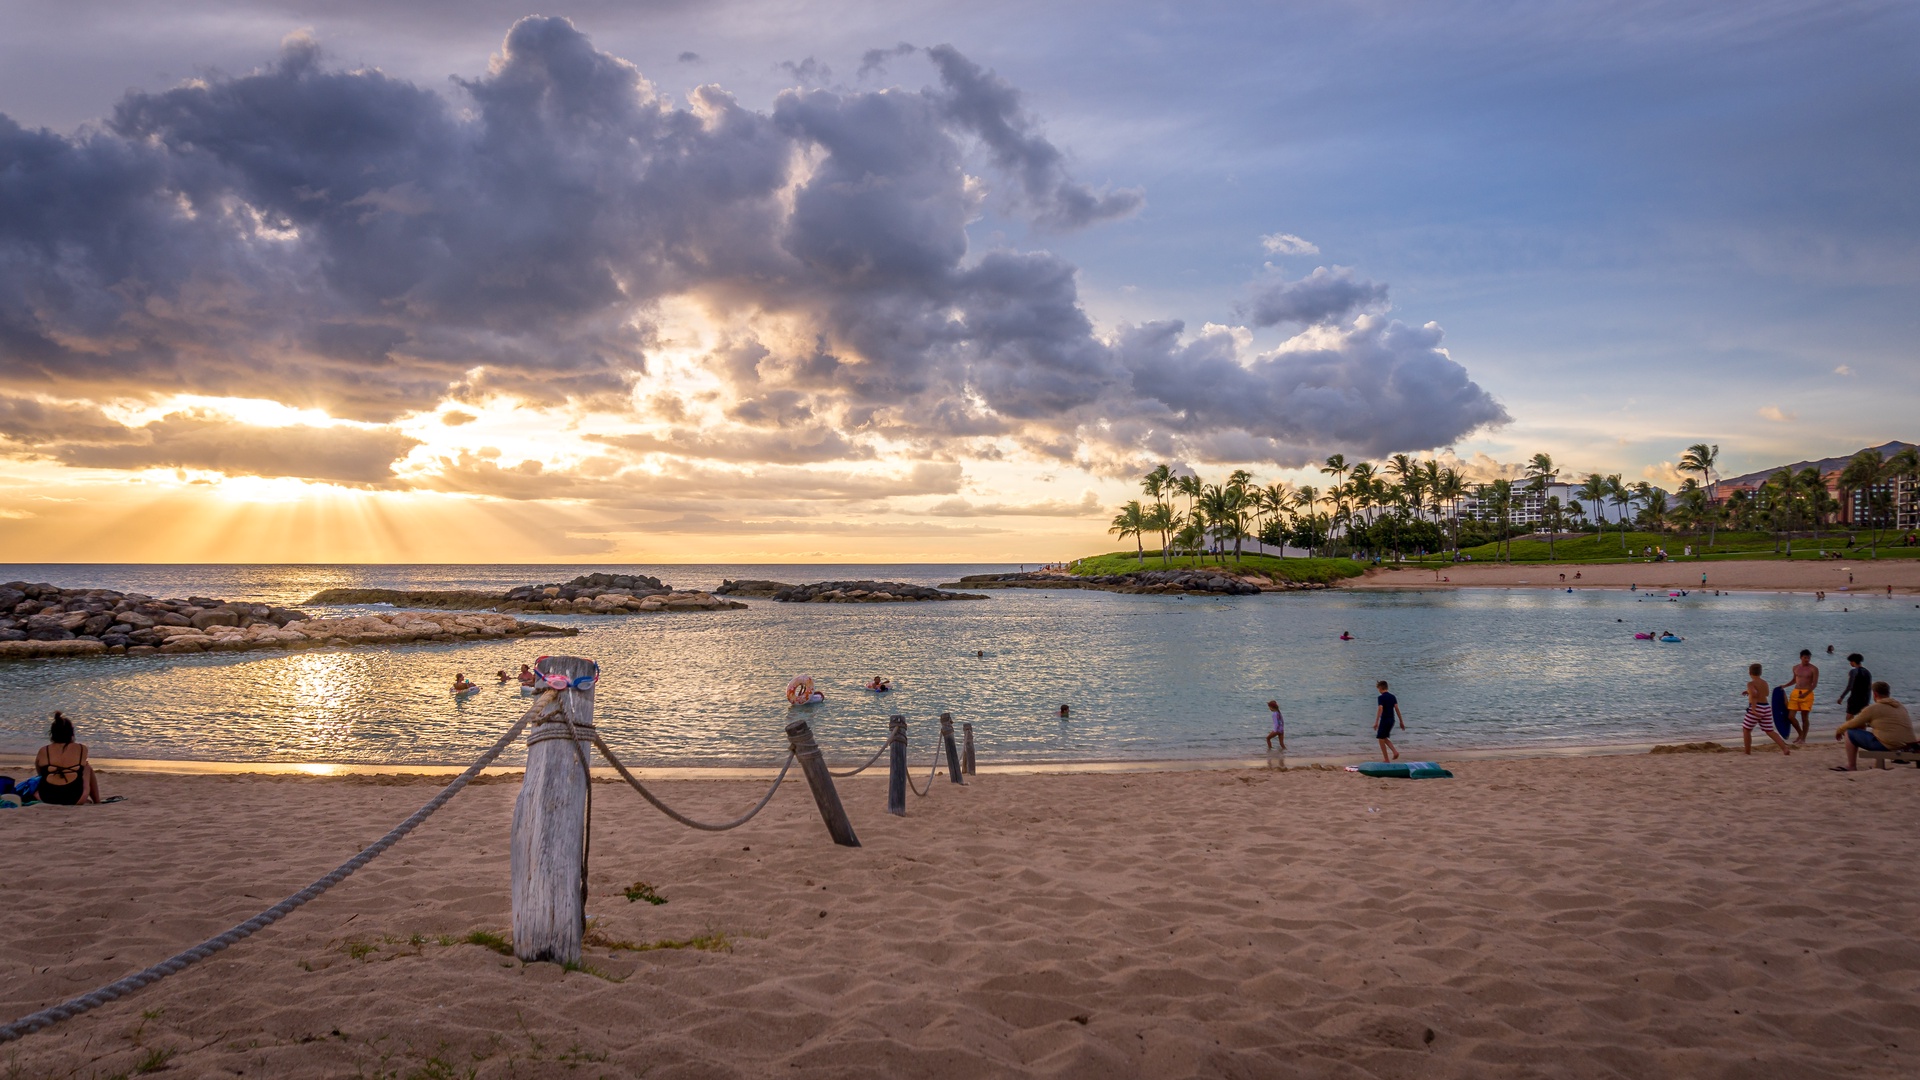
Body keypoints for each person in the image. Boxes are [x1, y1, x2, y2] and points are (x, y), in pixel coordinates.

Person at [1831, 682, 1915, 771]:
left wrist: (1839, 730)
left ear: (1874, 694)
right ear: (1888, 693)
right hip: (1907, 746)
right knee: (1880, 733)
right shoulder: (1900, 706)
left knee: (1849, 732)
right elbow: (1887, 723)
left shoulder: (1873, 708)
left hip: (1890, 746)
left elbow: (1852, 723)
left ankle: (1851, 766)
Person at [34, 712, 104, 805]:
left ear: (52, 733)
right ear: (71, 733)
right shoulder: (82, 748)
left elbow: (40, 773)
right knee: (87, 767)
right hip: (76, 798)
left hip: (47, 797)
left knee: (45, 774)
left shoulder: (44, 750)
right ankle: (97, 801)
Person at [1740, 664, 1792, 756]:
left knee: (1746, 729)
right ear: (1761, 673)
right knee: (1769, 730)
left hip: (1756, 708)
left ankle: (1747, 752)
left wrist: (1754, 709)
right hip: (1766, 707)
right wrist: (1748, 691)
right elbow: (1766, 693)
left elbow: (1755, 694)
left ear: (1749, 673)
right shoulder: (1765, 683)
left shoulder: (1750, 684)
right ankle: (1785, 748)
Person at [1786, 650, 1819, 745]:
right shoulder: (1795, 668)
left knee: (1804, 717)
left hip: (1807, 693)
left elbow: (1814, 684)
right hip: (1796, 692)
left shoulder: (1814, 669)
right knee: (1790, 717)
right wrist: (1784, 686)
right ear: (1801, 657)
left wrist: (1806, 693)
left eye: (1808, 658)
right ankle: (1800, 733)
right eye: (1805, 658)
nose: (1807, 660)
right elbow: (1794, 680)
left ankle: (1803, 738)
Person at [1373, 681, 1403, 762]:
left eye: (1378, 688)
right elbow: (1397, 709)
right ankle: (1395, 752)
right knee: (1384, 737)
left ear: (1380, 688)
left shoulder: (1381, 697)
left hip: (1385, 720)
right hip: (1392, 720)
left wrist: (1376, 722)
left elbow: (1380, 708)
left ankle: (1386, 759)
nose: (1378, 690)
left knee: (1380, 738)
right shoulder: (1392, 697)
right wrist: (1401, 721)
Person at [1836, 653, 1872, 721]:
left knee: (1849, 717)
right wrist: (1868, 700)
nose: (1850, 663)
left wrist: (1841, 697)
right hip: (1865, 699)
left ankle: (1848, 731)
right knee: (1862, 718)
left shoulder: (1853, 671)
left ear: (1853, 662)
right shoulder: (1867, 672)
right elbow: (1869, 688)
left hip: (1855, 698)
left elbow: (1850, 686)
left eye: (1850, 662)